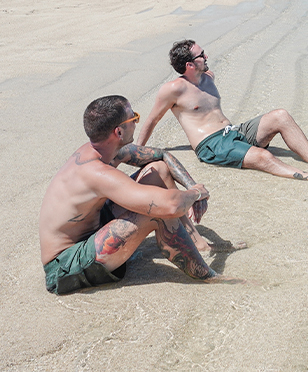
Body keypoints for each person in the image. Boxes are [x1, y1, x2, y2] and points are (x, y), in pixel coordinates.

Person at [39, 95, 231, 294]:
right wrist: (197, 192)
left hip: (93, 226)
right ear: (119, 131)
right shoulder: (96, 172)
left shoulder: (104, 150)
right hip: (65, 265)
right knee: (156, 212)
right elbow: (171, 206)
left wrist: (191, 186)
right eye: (134, 118)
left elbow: (162, 156)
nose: (137, 122)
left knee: (158, 170)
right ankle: (209, 277)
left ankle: (199, 244)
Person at [135, 40, 308, 190]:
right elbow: (153, 120)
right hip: (211, 145)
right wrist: (136, 152)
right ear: (190, 65)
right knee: (264, 157)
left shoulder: (207, 77)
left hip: (233, 132)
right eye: (202, 55)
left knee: (281, 115)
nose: (207, 55)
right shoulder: (173, 89)